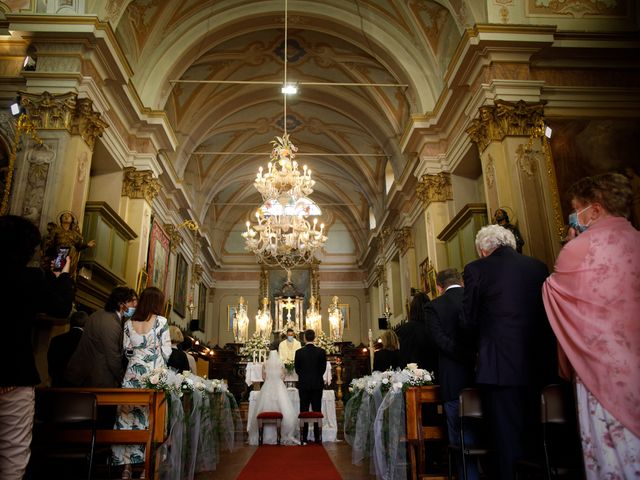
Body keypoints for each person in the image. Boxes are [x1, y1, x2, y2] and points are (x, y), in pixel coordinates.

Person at [542, 173, 640, 479]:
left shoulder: (580, 247)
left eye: (576, 208)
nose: (574, 216)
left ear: (594, 210)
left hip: (601, 367)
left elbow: (554, 292)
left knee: (611, 454)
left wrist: (572, 244)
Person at [462, 224, 556, 480]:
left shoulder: (476, 269)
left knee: (504, 438)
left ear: (483, 249)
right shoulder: (537, 267)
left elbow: (468, 319)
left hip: (498, 366)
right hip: (539, 364)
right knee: (536, 435)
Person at [0, 215, 74, 480]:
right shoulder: (29, 279)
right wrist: (61, 276)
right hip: (14, 375)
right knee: (12, 457)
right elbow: (60, 307)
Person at [112, 286, 171, 480]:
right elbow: (167, 352)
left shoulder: (129, 323)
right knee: (151, 420)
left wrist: (138, 355)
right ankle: (147, 468)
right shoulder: (161, 321)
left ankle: (126, 468)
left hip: (132, 374)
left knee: (127, 419)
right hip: (153, 375)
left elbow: (127, 350)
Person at [425, 268, 477, 480]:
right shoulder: (473, 299)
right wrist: (473, 357)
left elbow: (439, 340)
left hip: (452, 379)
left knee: (458, 436)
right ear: (462, 282)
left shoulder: (433, 306)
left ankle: (467, 476)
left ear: (438, 287)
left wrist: (461, 355)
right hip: (481, 376)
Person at [64, 286, 138, 388]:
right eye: (131, 302)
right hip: (98, 378)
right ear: (121, 304)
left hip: (88, 376)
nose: (135, 305)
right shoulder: (110, 323)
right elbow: (113, 358)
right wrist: (124, 381)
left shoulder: (99, 314)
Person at [247, 350, 298, 446]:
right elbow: (283, 377)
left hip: (267, 387)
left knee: (264, 408)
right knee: (283, 407)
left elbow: (263, 377)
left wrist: (270, 379)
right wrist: (278, 379)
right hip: (279, 387)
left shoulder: (265, 363)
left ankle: (264, 435)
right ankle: (282, 435)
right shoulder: (281, 363)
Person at [294, 329, 327, 444]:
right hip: (317, 384)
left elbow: (297, 369)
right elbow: (323, 369)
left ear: (304, 338)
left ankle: (304, 437)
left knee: (304, 410)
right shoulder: (321, 352)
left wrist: (304, 377)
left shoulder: (299, 352)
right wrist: (316, 376)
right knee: (317, 409)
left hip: (303, 385)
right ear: (314, 338)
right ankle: (318, 438)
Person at [44, 211, 96, 276]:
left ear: (71, 220)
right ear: (61, 219)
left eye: (69, 216)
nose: (66, 217)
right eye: (64, 216)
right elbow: (50, 244)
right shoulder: (56, 230)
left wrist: (87, 245)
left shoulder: (74, 234)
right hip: (60, 254)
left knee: (68, 274)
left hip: (71, 255)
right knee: (58, 273)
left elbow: (78, 246)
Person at [396, 291, 438, 372]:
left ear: (412, 309)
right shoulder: (434, 325)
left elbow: (404, 356)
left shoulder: (407, 328)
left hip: (416, 375)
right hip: (436, 371)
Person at [47, 310, 89, 387]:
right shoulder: (87, 343)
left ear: (70, 322)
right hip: (78, 389)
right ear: (86, 324)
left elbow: (50, 366)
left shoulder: (56, 340)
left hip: (57, 386)